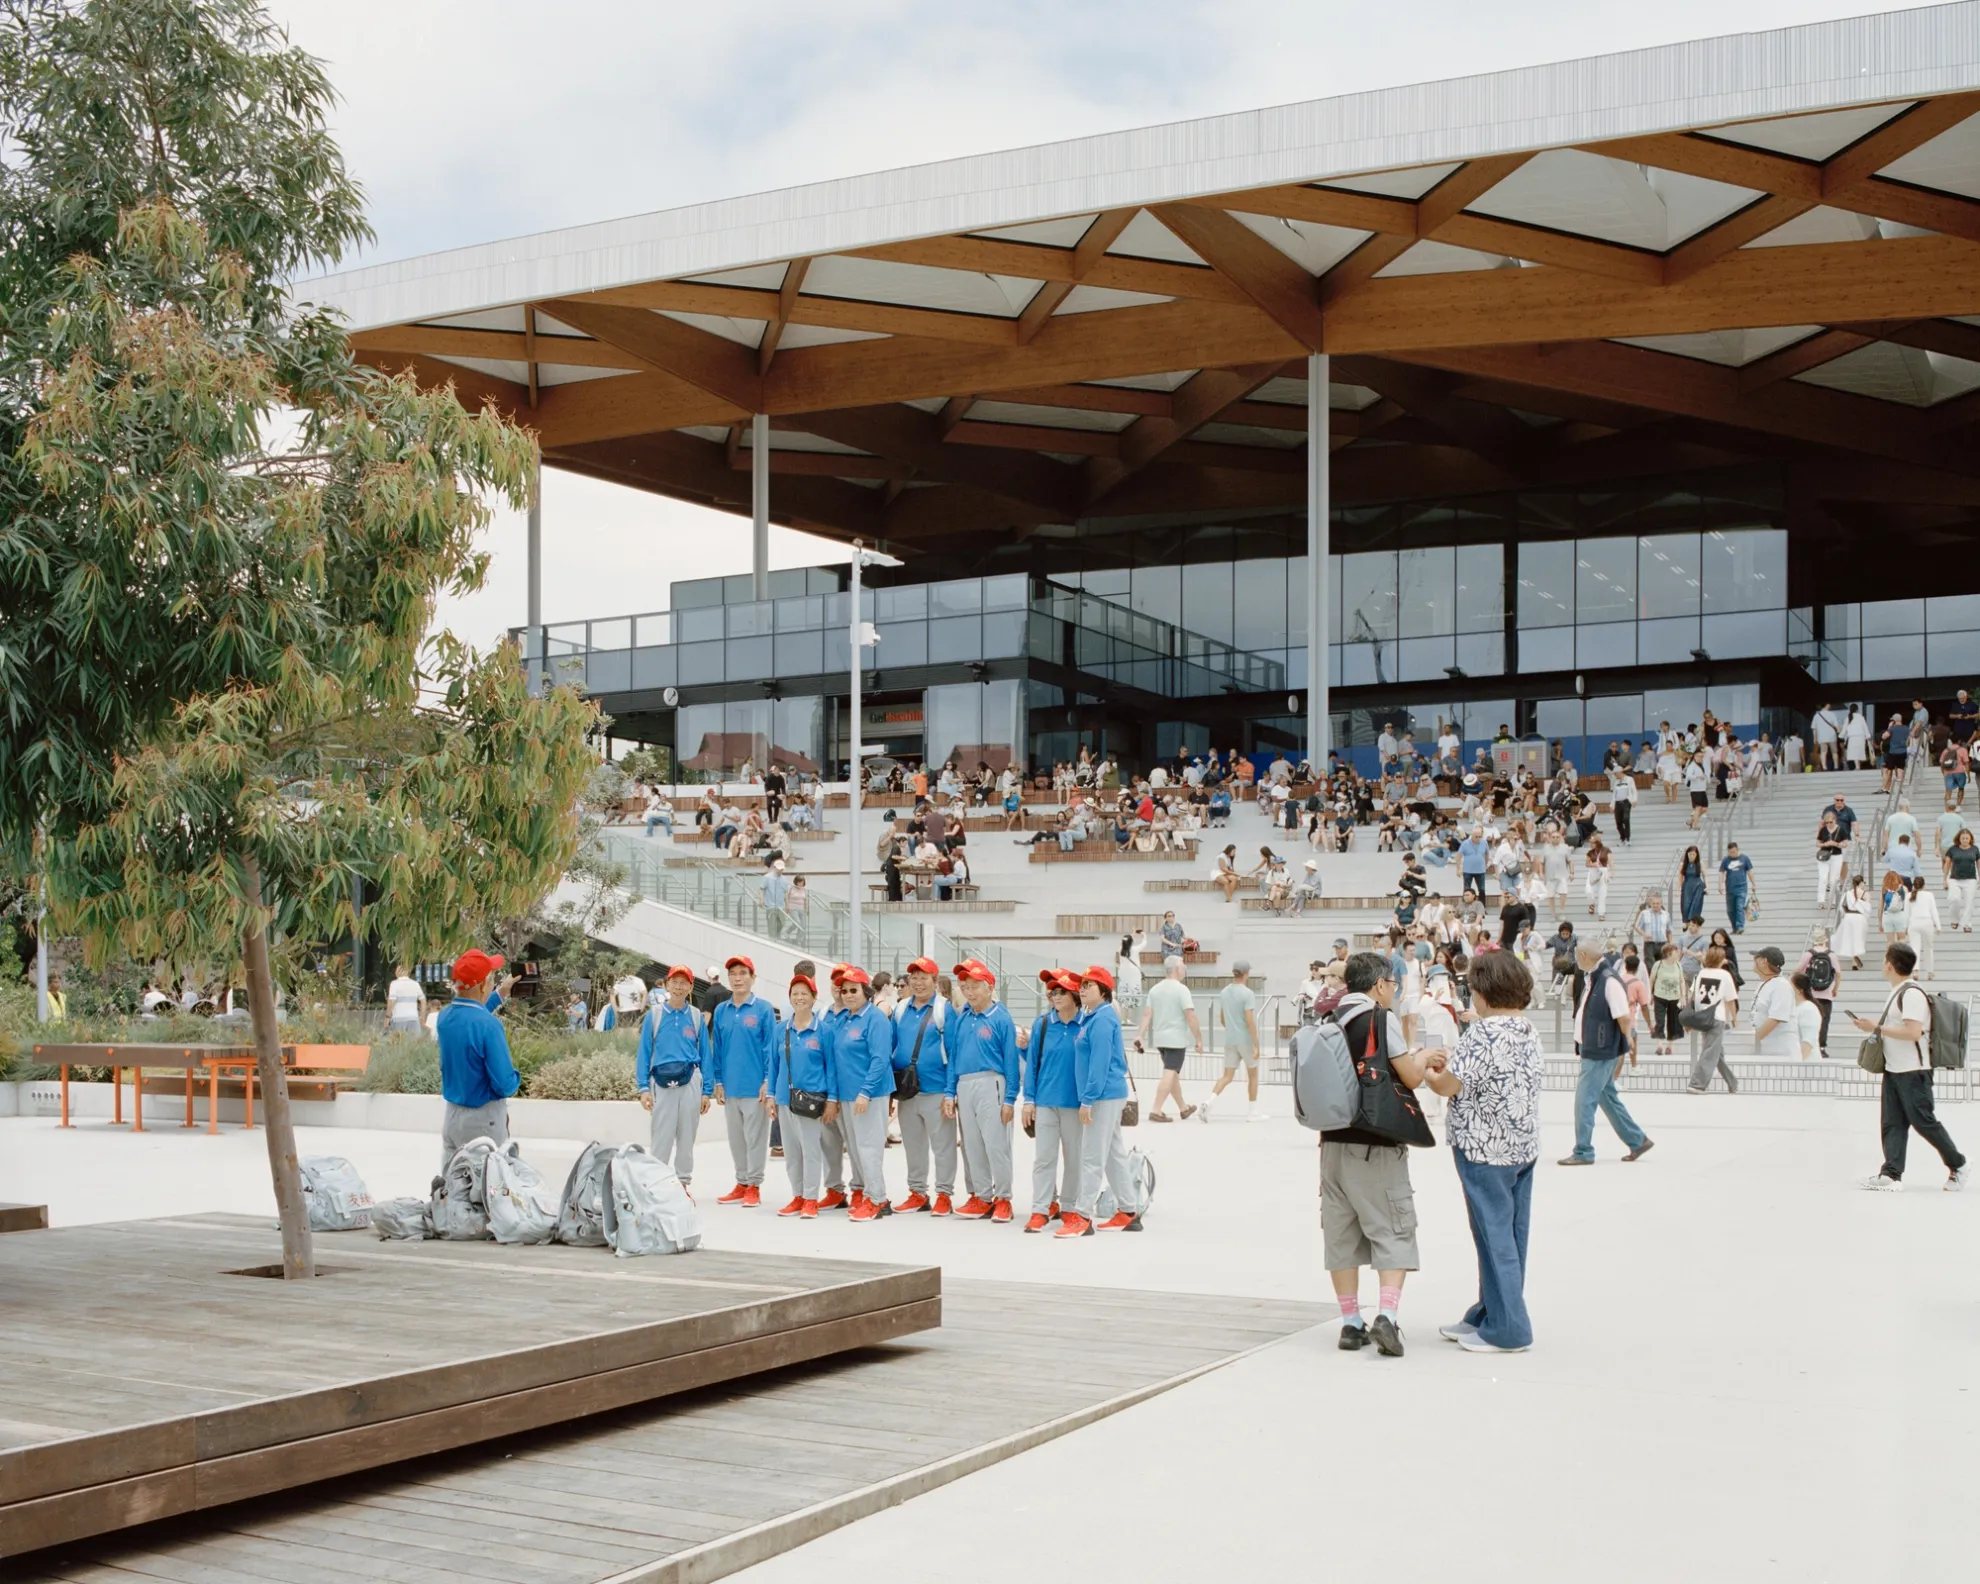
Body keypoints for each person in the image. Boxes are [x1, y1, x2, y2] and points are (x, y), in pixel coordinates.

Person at [1421, 950, 1541, 1354]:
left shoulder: (1483, 1034)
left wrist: (1429, 1071)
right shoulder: (1526, 1029)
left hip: (1483, 1149)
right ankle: (1490, 1313)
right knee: (1511, 1235)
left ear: (1483, 992)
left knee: (1493, 1238)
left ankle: (1509, 1328)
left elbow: (1448, 1087)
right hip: (1521, 1145)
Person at [1321, 952, 1438, 1356]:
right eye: (1392, 985)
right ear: (1378, 985)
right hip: (1376, 1145)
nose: (1394, 992)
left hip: (1332, 1144)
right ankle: (1386, 1316)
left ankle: (1351, 1323)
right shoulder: (1378, 1018)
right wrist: (1423, 1057)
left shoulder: (1329, 1018)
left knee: (1341, 1234)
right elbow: (1409, 1075)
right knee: (1393, 1228)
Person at [1851, 942, 1968, 1192]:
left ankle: (1958, 1165)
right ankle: (1891, 1174)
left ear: (1890, 965)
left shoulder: (1912, 994)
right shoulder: (1898, 991)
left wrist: (1876, 1028)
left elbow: (1914, 1032)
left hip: (1914, 1071)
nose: (1883, 965)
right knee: (1892, 1122)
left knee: (1923, 1121)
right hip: (1895, 1069)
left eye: (1884, 960)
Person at [1059, 966, 1139, 1237]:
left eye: (1089, 985)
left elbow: (1100, 1064)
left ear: (1104, 991)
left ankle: (1082, 1216)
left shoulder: (1103, 1019)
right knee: (1113, 1155)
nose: (1082, 989)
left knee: (1092, 1156)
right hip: (1106, 1095)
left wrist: (1088, 1100)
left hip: (1103, 1096)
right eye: (1081, 985)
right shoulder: (1092, 1017)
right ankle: (1129, 1211)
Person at [1560, 941, 1654, 1165]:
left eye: (1577, 956)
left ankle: (1583, 1151)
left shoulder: (1608, 980)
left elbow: (1623, 1016)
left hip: (1600, 1050)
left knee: (1584, 1100)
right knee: (1606, 1097)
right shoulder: (1594, 977)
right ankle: (1637, 1140)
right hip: (1595, 1047)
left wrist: (1628, 1039)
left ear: (1584, 955)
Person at [948, 958, 1021, 1224]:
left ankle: (1003, 1198)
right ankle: (982, 1196)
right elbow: (954, 1056)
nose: (969, 991)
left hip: (992, 1082)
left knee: (996, 1143)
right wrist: (949, 1092)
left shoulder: (1000, 1018)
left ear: (989, 987)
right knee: (972, 1145)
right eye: (965, 985)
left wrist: (1010, 1098)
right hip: (964, 1084)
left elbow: (1011, 1060)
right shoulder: (962, 1017)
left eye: (975, 985)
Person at [434, 950, 520, 1169]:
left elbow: (472, 1014)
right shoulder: (489, 1026)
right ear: (483, 986)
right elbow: (504, 1084)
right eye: (491, 979)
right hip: (483, 1122)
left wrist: (501, 993)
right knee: (486, 1193)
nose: (493, 983)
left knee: (453, 1189)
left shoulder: (444, 1017)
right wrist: (516, 1077)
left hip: (453, 1117)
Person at [827, 965, 896, 1221]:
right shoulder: (844, 1019)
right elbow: (835, 1059)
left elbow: (880, 1059)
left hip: (869, 1095)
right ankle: (872, 1195)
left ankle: (877, 1199)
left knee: (869, 1148)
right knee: (856, 1149)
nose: (848, 995)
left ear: (866, 991)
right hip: (846, 1095)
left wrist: (865, 1092)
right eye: (844, 991)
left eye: (853, 990)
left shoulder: (875, 1018)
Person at [636, 964, 712, 1191]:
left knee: (687, 1136)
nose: (678, 986)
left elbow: (706, 1055)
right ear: (667, 984)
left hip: (690, 1080)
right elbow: (644, 1053)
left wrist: (706, 1091)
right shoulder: (655, 1015)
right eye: (674, 982)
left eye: (684, 982)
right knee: (661, 1135)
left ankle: (682, 1184)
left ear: (690, 987)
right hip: (661, 1082)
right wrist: (643, 1088)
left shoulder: (697, 1017)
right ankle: (657, 1184)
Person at [891, 957, 957, 1215]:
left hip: (937, 1089)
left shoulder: (944, 1009)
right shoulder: (900, 1008)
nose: (918, 983)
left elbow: (953, 1053)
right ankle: (918, 1193)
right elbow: (890, 1047)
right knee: (913, 1144)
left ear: (935, 980)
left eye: (923, 977)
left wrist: (951, 1092)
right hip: (907, 1091)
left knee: (943, 1145)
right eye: (913, 978)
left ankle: (944, 1194)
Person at [708, 956, 776, 1207]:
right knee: (736, 1139)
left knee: (755, 1138)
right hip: (730, 1086)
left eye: (743, 973)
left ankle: (754, 1185)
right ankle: (741, 1181)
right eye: (733, 974)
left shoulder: (763, 1009)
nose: (738, 978)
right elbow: (718, 1049)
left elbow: (770, 1047)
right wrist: (718, 1081)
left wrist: (768, 1080)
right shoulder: (721, 1010)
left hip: (755, 1086)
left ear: (752, 978)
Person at [1023, 970, 1085, 1231]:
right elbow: (1033, 1064)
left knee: (1074, 1159)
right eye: (1052, 993)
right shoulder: (1043, 1024)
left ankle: (1070, 1207)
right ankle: (1041, 1208)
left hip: (1076, 1104)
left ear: (1074, 994)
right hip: (1046, 1102)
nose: (1055, 997)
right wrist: (1029, 1100)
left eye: (1061, 992)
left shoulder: (1087, 1023)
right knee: (1044, 1158)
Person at [770, 973, 833, 1217]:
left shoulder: (823, 1030)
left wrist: (832, 1100)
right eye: (795, 993)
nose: (799, 998)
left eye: (804, 994)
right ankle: (797, 1195)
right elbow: (773, 1065)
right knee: (792, 1152)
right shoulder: (781, 1030)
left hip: (811, 1101)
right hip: (785, 1100)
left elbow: (831, 1068)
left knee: (811, 1150)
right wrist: (771, 1096)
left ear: (814, 998)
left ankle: (810, 1198)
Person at [1138, 956, 1202, 1121]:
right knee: (1169, 1074)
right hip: (1176, 1039)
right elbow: (1191, 1016)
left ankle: (1183, 1108)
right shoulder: (1182, 990)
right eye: (1183, 966)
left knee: (1172, 1074)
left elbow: (1147, 1014)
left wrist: (1140, 1035)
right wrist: (1199, 1039)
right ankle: (1156, 1110)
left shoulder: (1155, 990)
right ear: (1177, 969)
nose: (1184, 969)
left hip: (1161, 1039)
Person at [1200, 962, 1263, 1121]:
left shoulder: (1225, 992)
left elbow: (1222, 1017)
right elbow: (1250, 1021)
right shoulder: (1248, 994)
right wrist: (1256, 1045)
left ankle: (1209, 1101)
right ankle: (1252, 1111)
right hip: (1245, 1039)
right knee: (1253, 1075)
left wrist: (1231, 1028)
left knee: (1227, 1076)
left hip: (1230, 1039)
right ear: (1246, 973)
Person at [1687, 945, 1740, 1094]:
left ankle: (1732, 1082)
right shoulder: (1724, 975)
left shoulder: (1701, 973)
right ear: (1720, 959)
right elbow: (1730, 1000)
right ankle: (1697, 1084)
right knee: (1711, 1050)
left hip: (1702, 1016)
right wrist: (1734, 1018)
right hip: (1716, 1016)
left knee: (1716, 1051)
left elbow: (1692, 995)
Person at [1795, 928, 1841, 1056]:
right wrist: (1835, 989)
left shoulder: (1808, 955)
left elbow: (1797, 970)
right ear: (1825, 941)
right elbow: (1838, 973)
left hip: (1811, 994)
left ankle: (1809, 1044)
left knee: (1810, 1019)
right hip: (1827, 994)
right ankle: (1822, 1047)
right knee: (1824, 1020)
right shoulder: (1831, 955)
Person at [1749, 947, 1797, 1058]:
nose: (1753, 961)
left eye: (1756, 958)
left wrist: (1755, 1040)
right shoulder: (1765, 983)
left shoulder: (1781, 986)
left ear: (1763, 961)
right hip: (1767, 1049)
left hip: (1781, 1053)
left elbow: (1775, 1018)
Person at [1905, 875, 1942, 981]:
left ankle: (1915, 970)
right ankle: (1930, 972)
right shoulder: (1929, 895)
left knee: (1914, 947)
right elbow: (1934, 911)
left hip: (1914, 923)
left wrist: (1906, 927)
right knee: (1929, 948)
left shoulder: (1909, 896)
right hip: (1927, 922)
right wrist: (1938, 926)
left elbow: (1906, 913)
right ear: (1924, 885)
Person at [1650, 943, 1684, 1056]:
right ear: (1669, 953)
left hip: (1674, 997)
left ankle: (1669, 1046)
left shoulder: (1678, 965)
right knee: (1659, 1020)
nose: (1678, 953)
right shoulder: (1658, 965)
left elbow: (1682, 981)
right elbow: (1652, 980)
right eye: (1676, 951)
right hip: (1660, 995)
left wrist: (1683, 996)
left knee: (1672, 1021)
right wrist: (1650, 994)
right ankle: (1659, 1045)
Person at [1946, 827, 1980, 932]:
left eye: (1967, 838)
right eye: (1963, 838)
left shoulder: (1975, 849)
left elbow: (1978, 863)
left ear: (1970, 839)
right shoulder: (1953, 849)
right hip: (1954, 878)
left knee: (1969, 902)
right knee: (1954, 899)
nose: (1965, 840)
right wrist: (1944, 879)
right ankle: (1954, 920)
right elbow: (1947, 864)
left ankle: (1967, 924)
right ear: (1959, 839)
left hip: (1970, 879)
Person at [1718, 841, 1754, 934]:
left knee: (1739, 906)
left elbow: (1750, 871)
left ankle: (1740, 926)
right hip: (1730, 888)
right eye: (1730, 852)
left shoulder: (1744, 858)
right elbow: (1722, 872)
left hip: (1741, 887)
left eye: (1734, 852)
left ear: (1737, 850)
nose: (1732, 854)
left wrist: (1753, 884)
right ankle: (1734, 927)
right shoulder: (1726, 860)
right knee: (1730, 910)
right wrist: (1720, 884)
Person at [1836, 876, 1870, 969]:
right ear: (1861, 883)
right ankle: (1855, 958)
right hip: (1859, 917)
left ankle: (1854, 960)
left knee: (1851, 938)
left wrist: (1845, 915)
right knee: (1858, 938)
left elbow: (1841, 907)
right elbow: (1867, 908)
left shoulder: (1847, 894)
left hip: (1849, 917)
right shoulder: (1865, 894)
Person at [385, 964, 426, 1036]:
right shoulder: (415, 984)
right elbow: (423, 1000)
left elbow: (392, 1001)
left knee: (398, 1043)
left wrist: (387, 1017)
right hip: (413, 1018)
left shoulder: (394, 984)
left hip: (398, 1018)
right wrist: (422, 1017)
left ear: (398, 972)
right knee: (414, 1044)